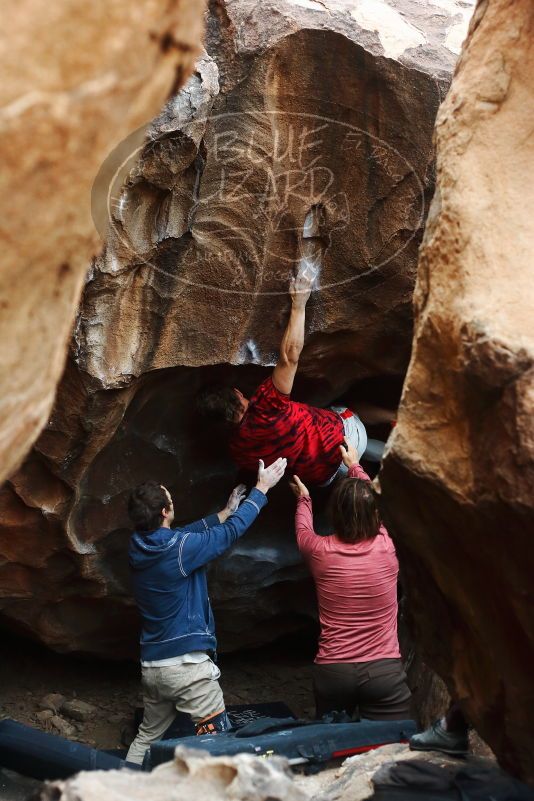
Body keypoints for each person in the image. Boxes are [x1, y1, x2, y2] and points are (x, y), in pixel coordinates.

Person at [125, 456, 287, 765]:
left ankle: (118, 789)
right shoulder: (181, 549)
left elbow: (184, 533)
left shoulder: (137, 545)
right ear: (164, 512)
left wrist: (225, 512)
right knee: (218, 742)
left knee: (147, 737)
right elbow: (228, 535)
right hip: (187, 670)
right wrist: (262, 489)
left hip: (154, 669)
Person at [197, 270, 386, 486]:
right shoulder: (266, 404)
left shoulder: (239, 452)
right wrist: (299, 304)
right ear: (237, 393)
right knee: (345, 409)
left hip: (324, 475)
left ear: (218, 423)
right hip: (348, 440)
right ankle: (393, 440)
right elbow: (290, 357)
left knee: (334, 441)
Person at [289, 439, 411, 720]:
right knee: (393, 746)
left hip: (334, 672)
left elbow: (303, 528)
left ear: (335, 514)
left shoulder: (319, 550)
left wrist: (303, 499)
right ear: (376, 514)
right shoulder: (388, 544)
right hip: (384, 671)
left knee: (333, 747)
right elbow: (373, 504)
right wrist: (354, 465)